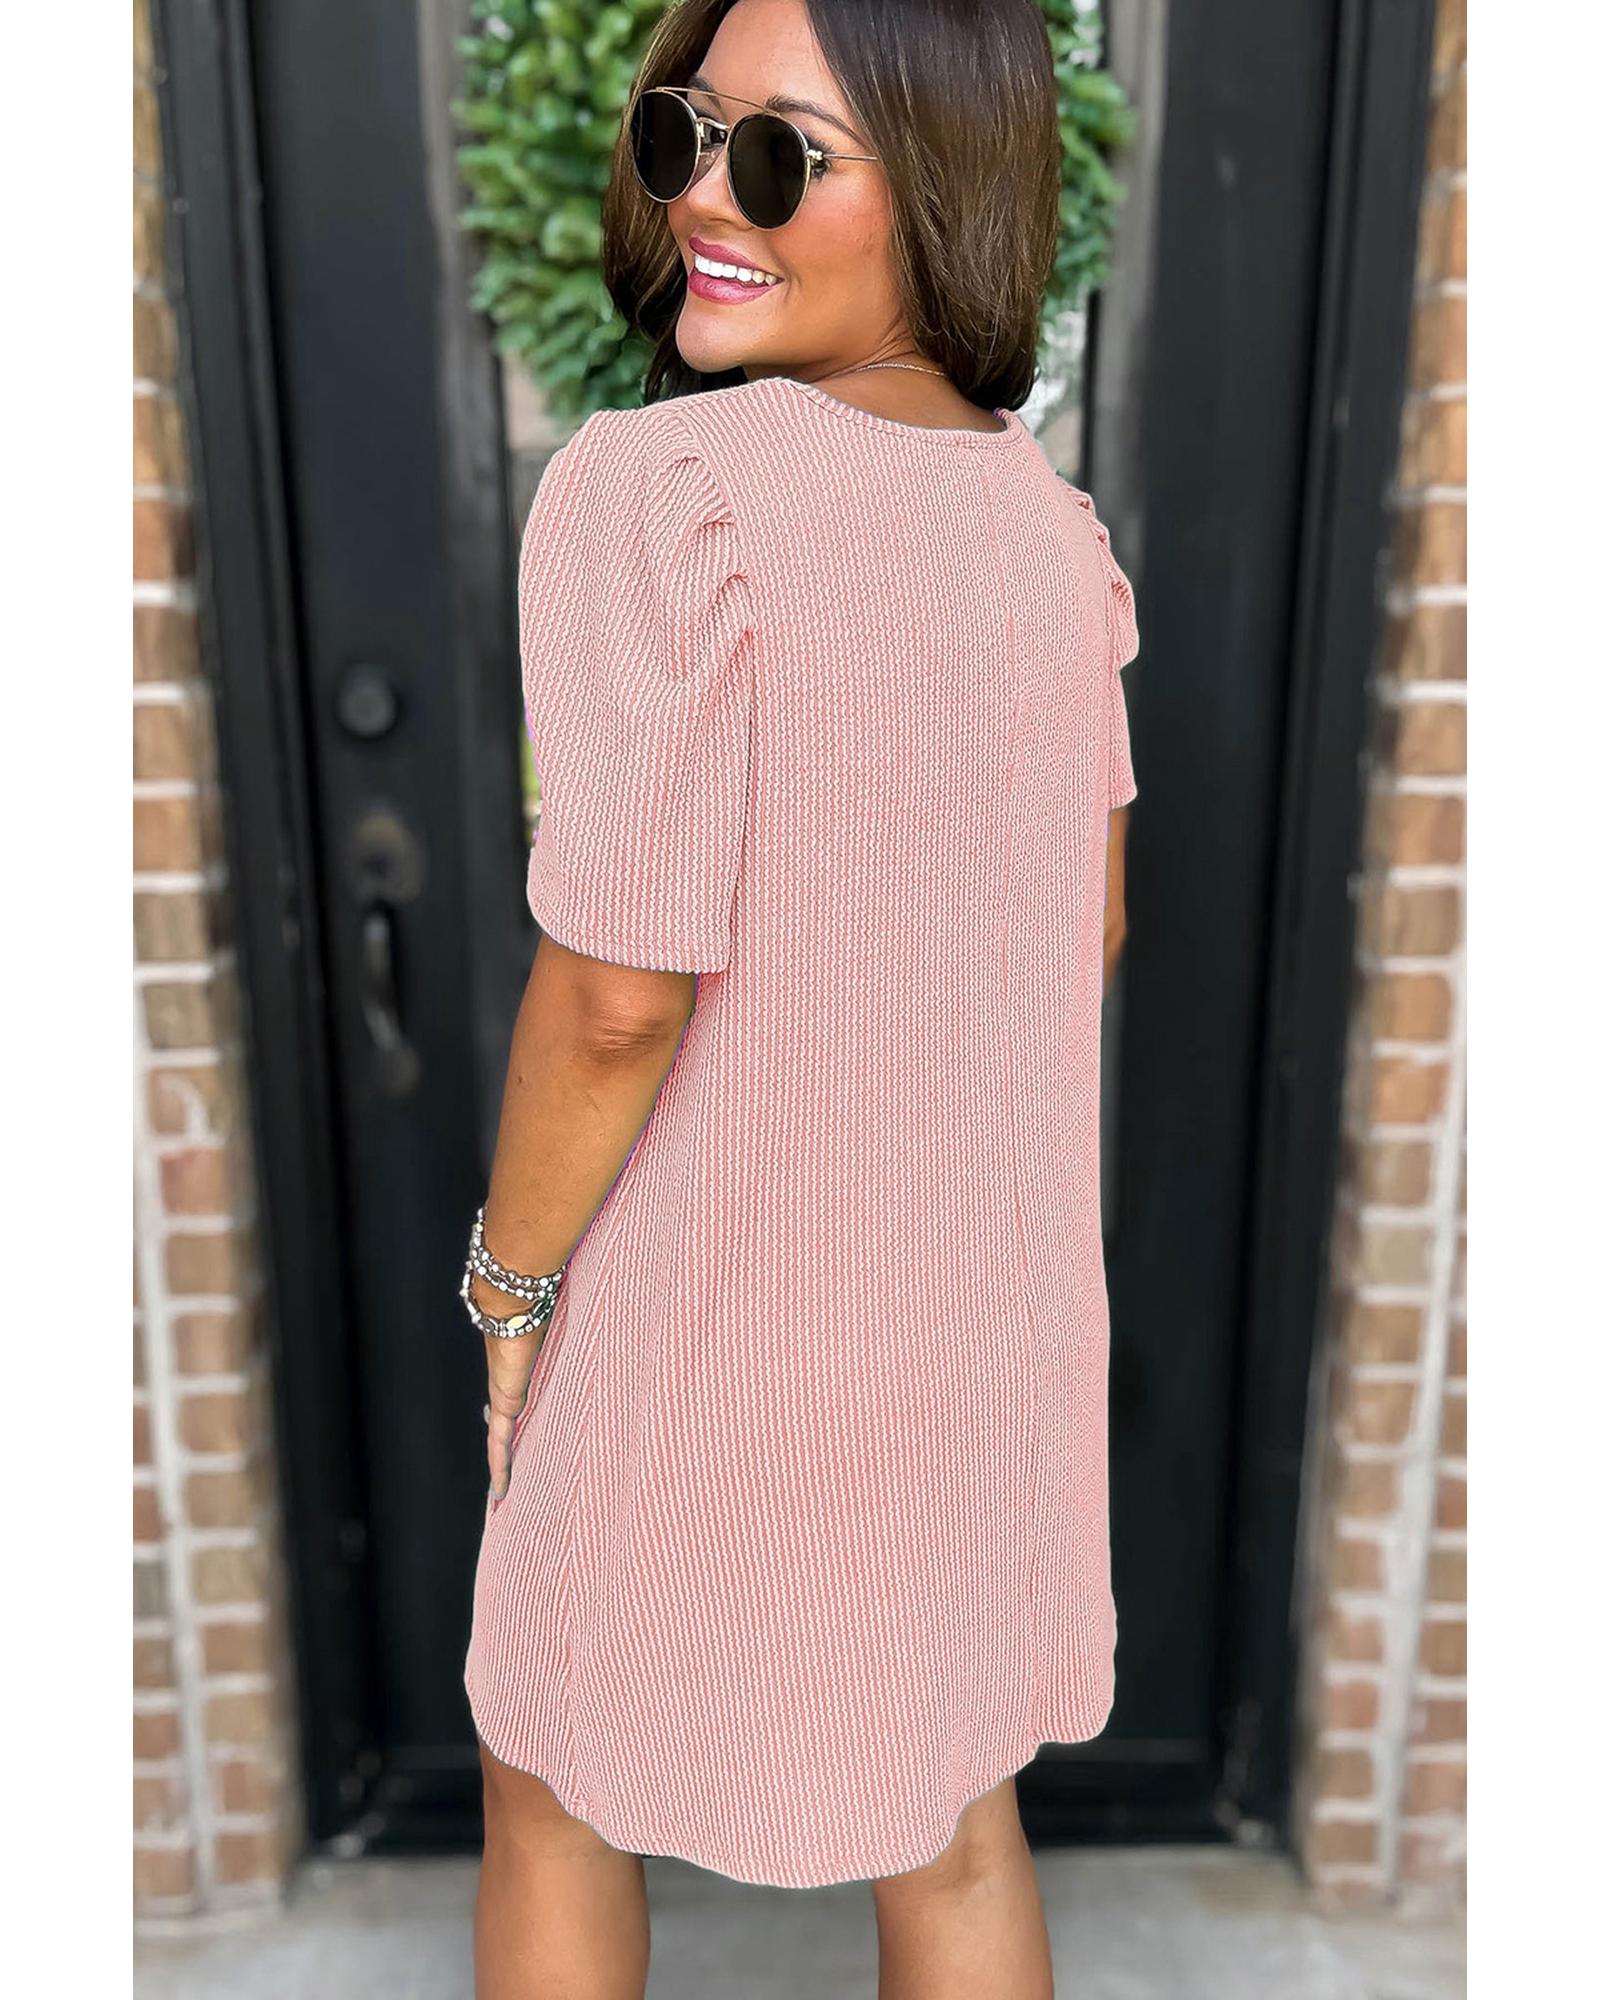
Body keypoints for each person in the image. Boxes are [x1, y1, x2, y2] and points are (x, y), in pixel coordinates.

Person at [460, 1, 1140, 1993]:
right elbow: (1088, 923)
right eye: (687, 131)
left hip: (709, 1314)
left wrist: (509, 1290)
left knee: (545, 1780)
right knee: (954, 1819)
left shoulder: (660, 490)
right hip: (976, 1330)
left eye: (781, 158)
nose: (704, 197)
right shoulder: (1046, 528)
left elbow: (616, 996)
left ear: (941, 192)